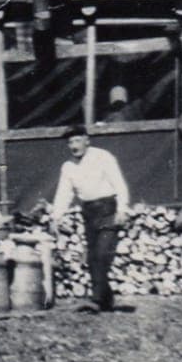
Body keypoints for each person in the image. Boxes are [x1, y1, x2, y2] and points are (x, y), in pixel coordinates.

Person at [49, 124, 130, 311]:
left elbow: (119, 184)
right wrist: (56, 217)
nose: (73, 145)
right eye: (70, 142)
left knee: (102, 255)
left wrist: (122, 209)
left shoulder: (103, 157)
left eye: (77, 140)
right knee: (93, 258)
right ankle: (105, 299)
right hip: (89, 212)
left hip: (108, 209)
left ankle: (96, 300)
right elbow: (64, 193)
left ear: (87, 140)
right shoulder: (68, 167)